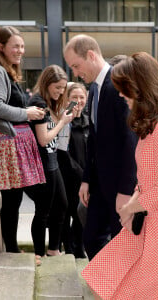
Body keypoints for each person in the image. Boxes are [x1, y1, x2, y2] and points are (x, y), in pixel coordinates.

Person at [81, 52, 158, 299]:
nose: (120, 95)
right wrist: (132, 206)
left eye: (124, 89)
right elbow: (148, 178)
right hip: (149, 223)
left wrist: (130, 207)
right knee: (105, 279)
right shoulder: (155, 123)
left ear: (141, 87)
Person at [63, 34, 137, 261]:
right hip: (99, 184)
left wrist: (125, 191)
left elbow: (129, 140)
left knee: (122, 242)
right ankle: (109, 285)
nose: (75, 73)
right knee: (91, 237)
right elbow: (93, 139)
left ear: (92, 55)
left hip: (119, 187)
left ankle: (121, 291)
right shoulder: (94, 88)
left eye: (76, 65)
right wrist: (86, 179)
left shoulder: (117, 85)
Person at [0, 26, 46, 253]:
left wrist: (29, 112)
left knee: (14, 200)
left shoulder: (5, 71)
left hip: (15, 143)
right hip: (8, 143)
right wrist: (26, 113)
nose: (21, 50)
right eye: (16, 46)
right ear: (1, 47)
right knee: (14, 200)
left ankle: (12, 248)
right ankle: (12, 249)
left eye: (22, 46)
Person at [28, 65, 75, 264]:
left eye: (63, 88)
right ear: (47, 83)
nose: (61, 92)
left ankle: (53, 249)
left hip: (52, 161)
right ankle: (39, 252)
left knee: (62, 205)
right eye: (57, 87)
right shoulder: (38, 103)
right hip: (43, 163)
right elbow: (44, 139)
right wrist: (62, 122)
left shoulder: (50, 102)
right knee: (43, 210)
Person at [57, 82, 89, 258]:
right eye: (74, 97)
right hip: (67, 175)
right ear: (67, 99)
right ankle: (68, 248)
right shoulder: (64, 120)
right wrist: (79, 172)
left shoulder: (89, 120)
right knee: (66, 212)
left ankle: (78, 248)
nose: (78, 101)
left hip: (85, 177)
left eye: (81, 97)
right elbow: (63, 151)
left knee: (81, 215)